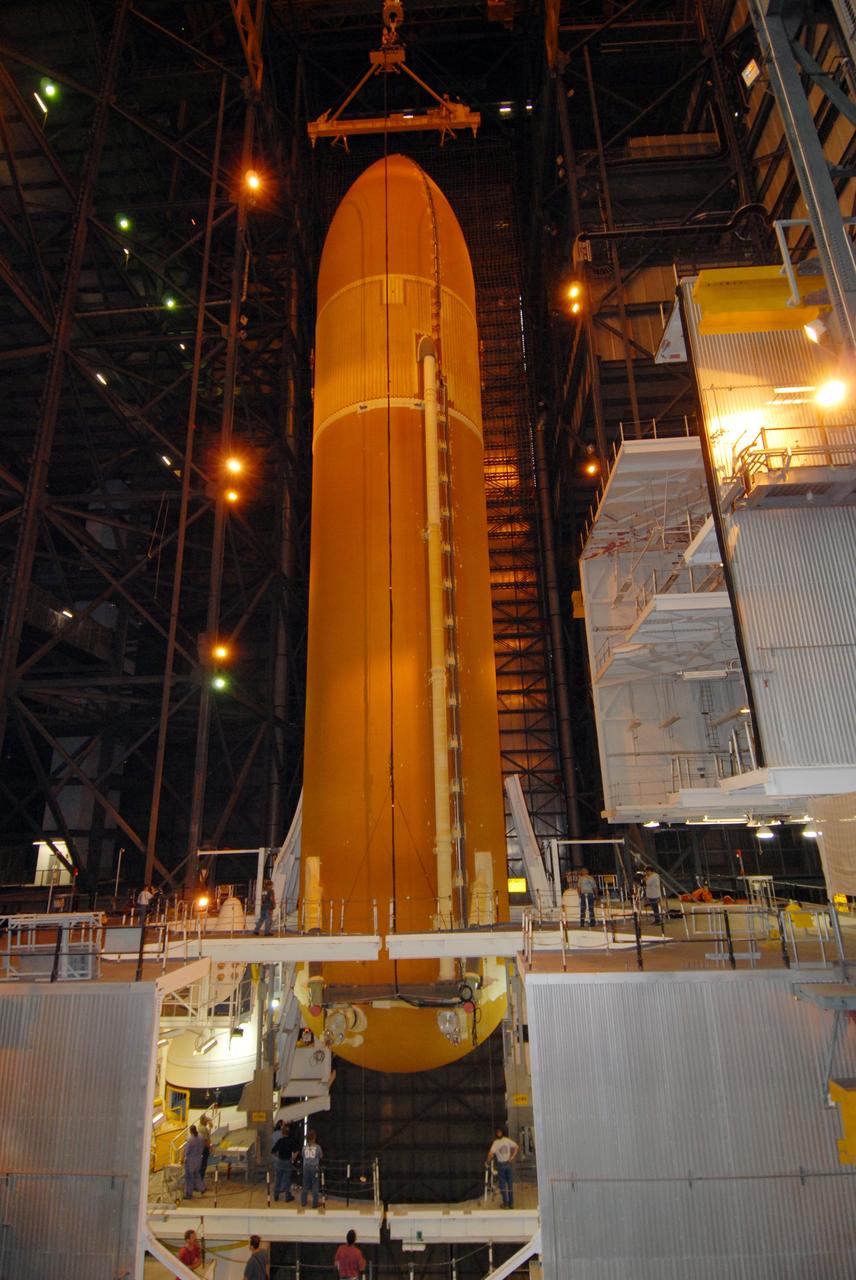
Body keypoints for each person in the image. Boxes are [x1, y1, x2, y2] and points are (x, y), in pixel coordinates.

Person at [485, 1125, 519, 1209]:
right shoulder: (506, 1140)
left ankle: (506, 1204)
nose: (498, 1133)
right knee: (509, 1184)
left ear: (499, 1133)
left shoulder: (496, 1143)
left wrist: (487, 1162)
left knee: (503, 1185)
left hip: (502, 1165)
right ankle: (511, 1204)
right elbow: (516, 1147)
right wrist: (512, 1157)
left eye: (499, 1132)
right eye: (498, 1132)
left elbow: (490, 1154)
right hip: (508, 1164)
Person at [272, 1121, 297, 1202]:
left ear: (282, 1133)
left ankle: (276, 1195)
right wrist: (293, 1157)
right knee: (287, 1180)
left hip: (280, 1161)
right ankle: (288, 1197)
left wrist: (277, 1156)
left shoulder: (280, 1141)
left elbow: (273, 1151)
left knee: (278, 1179)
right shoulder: (291, 1141)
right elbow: (297, 1151)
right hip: (288, 1162)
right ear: (288, 1133)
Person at [300, 1129, 323, 1207]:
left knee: (305, 1185)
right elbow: (321, 1156)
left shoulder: (304, 1147)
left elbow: (303, 1156)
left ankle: (303, 1202)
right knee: (315, 1186)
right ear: (314, 1138)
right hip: (314, 1168)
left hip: (306, 1168)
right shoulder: (318, 1147)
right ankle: (315, 1203)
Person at [183, 1124, 206, 1199]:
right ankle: (202, 1188)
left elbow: (187, 1151)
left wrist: (183, 1159)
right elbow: (203, 1146)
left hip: (191, 1161)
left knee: (189, 1177)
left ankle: (189, 1194)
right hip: (199, 1159)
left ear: (190, 1131)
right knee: (197, 1175)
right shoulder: (201, 1136)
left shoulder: (190, 1140)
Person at [198, 1114, 212, 1181]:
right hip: (204, 1148)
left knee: (201, 1166)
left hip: (200, 1148)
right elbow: (206, 1140)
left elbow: (207, 1135)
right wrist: (209, 1147)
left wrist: (210, 1125)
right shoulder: (203, 1128)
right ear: (203, 1121)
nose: (207, 1122)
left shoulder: (200, 1127)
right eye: (206, 1120)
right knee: (203, 1166)